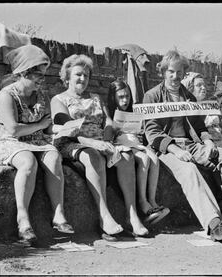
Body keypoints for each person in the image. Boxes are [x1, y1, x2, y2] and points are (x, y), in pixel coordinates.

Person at [143, 50, 222, 241]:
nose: (175, 76)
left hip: (192, 144)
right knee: (189, 170)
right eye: (171, 71)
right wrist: (175, 150)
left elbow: (198, 126)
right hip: (167, 149)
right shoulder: (152, 96)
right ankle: (214, 224)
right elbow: (152, 133)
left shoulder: (187, 96)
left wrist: (207, 141)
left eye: (179, 72)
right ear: (164, 71)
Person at [50, 54, 149, 240]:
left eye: (86, 76)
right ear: (67, 77)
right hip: (71, 142)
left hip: (100, 141)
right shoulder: (59, 100)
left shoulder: (96, 97)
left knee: (126, 155)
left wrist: (107, 140)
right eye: (78, 74)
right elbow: (66, 129)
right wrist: (94, 144)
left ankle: (132, 215)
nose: (82, 79)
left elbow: (108, 121)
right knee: (93, 156)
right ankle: (105, 217)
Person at [0, 45, 74, 245]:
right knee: (28, 162)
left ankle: (58, 214)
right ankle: (22, 219)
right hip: (7, 141)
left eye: (43, 75)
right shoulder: (6, 95)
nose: (42, 80)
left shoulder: (41, 95)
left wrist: (62, 130)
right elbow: (13, 130)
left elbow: (46, 128)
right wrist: (40, 125)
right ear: (24, 72)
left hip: (35, 140)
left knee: (54, 156)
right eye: (38, 75)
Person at [106, 78, 170, 224]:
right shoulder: (109, 112)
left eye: (127, 96)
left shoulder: (133, 110)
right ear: (113, 97)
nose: (125, 100)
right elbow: (108, 136)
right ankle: (142, 202)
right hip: (121, 144)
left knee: (153, 157)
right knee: (144, 158)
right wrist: (114, 129)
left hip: (134, 143)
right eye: (120, 97)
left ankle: (152, 201)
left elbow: (139, 132)